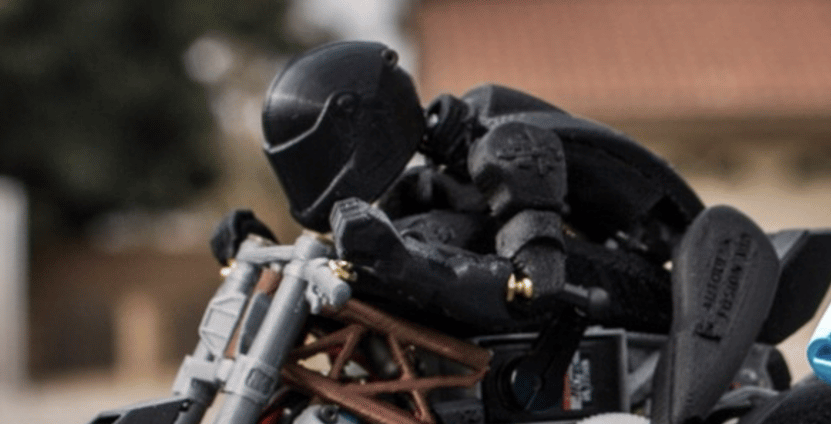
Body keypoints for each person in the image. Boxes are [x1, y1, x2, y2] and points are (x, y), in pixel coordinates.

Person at [215, 40, 703, 334]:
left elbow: (534, 285)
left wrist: (405, 266)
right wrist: (276, 265)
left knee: (436, 237)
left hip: (657, 289)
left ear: (350, 118)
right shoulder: (431, 182)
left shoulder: (504, 149)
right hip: (617, 273)